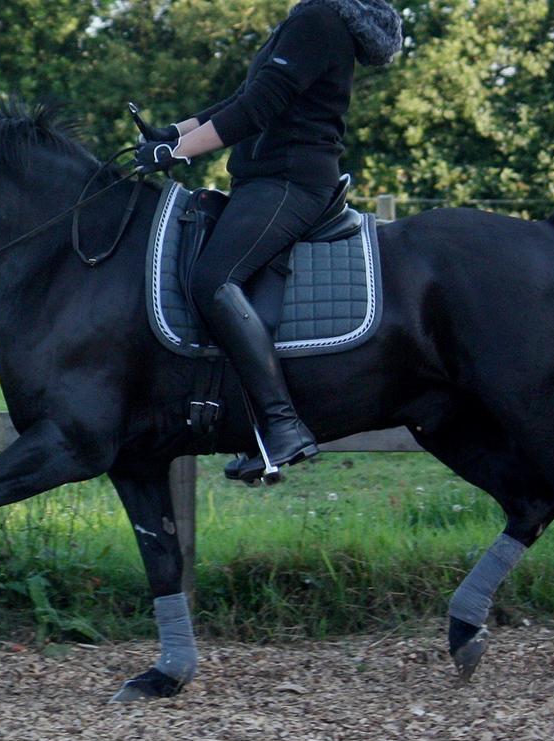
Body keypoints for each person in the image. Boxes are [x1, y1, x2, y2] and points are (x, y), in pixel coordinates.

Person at [134, 0, 402, 480]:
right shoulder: (307, 21)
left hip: (290, 181)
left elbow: (257, 110)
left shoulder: (317, 21)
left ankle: (283, 426)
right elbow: (242, 98)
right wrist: (171, 133)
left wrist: (175, 152)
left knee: (213, 280)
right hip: (267, 181)